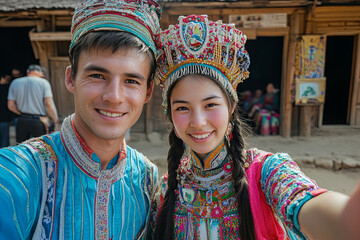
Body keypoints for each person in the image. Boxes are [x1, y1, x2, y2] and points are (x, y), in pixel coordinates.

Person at [152, 15, 350, 240]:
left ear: (232, 107)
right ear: (169, 114)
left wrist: (347, 219)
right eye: (182, 108)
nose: (198, 122)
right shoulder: (167, 189)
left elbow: (314, 206)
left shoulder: (266, 173)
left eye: (210, 105)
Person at [0, 0, 161, 239]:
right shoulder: (17, 175)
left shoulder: (149, 180)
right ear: (71, 79)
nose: (114, 97)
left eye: (131, 81)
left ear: (148, 92)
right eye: (97, 75)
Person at [7, 64, 60, 142]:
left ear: (28, 71)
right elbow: (49, 103)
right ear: (39, 72)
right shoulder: (44, 83)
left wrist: (22, 114)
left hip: (21, 121)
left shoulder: (15, 82)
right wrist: (56, 120)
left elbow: (10, 106)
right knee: (40, 148)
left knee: (21, 148)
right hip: (38, 121)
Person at [0, 73, 13, 147]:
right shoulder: (7, 89)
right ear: (2, 77)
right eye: (7, 78)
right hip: (4, 119)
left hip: (4, 119)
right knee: (4, 143)